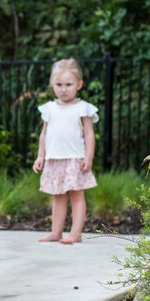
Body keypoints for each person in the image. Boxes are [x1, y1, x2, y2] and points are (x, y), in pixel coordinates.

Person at [32, 58, 98, 244]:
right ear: (53, 85)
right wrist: (41, 156)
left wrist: (89, 157)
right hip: (54, 159)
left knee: (77, 197)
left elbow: (89, 135)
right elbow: (44, 134)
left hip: (75, 159)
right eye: (59, 84)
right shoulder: (49, 109)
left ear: (79, 84)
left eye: (68, 84)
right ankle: (56, 232)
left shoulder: (83, 108)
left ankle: (75, 233)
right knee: (58, 197)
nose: (63, 89)